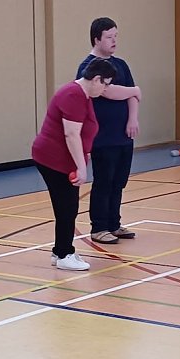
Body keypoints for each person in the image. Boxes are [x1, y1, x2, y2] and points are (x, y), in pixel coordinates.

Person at [31, 58, 116, 271]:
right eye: (105, 83)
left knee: (68, 206)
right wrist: (82, 167)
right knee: (67, 207)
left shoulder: (84, 95)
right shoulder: (73, 94)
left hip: (62, 160)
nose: (106, 88)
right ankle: (63, 254)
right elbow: (71, 134)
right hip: (53, 159)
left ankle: (61, 249)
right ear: (96, 79)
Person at [76, 17, 143, 244]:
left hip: (123, 135)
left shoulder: (121, 64)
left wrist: (132, 119)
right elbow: (109, 91)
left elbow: (132, 96)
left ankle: (114, 223)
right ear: (97, 39)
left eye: (116, 36)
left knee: (119, 180)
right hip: (102, 136)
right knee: (104, 180)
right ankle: (99, 227)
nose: (114, 41)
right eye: (109, 37)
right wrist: (133, 89)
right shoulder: (88, 67)